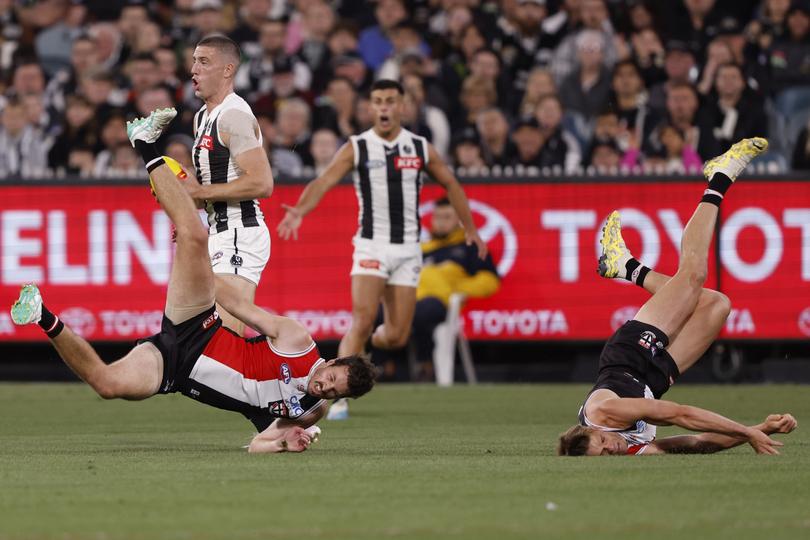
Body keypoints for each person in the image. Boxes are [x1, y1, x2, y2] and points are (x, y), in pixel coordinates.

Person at [10, 107, 376, 454]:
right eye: (330, 379)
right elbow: (240, 307)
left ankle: (40, 313)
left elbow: (257, 445)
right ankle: (145, 142)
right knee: (195, 237)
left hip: (174, 368)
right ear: (332, 362)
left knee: (107, 385)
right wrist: (198, 267)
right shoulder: (297, 341)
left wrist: (284, 443)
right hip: (199, 328)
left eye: (330, 392)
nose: (322, 387)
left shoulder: (310, 412)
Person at [558, 137, 797, 456]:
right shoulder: (631, 454)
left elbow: (679, 414)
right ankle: (628, 268)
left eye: (600, 443)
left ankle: (720, 177)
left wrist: (745, 432)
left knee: (694, 274)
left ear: (591, 431)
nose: (608, 448)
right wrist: (759, 430)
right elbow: (695, 442)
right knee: (716, 305)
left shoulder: (602, 414)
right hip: (652, 379)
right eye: (601, 455)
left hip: (629, 357)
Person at [277, 79, 487, 418]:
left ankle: (375, 337)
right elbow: (324, 180)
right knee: (359, 320)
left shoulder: (419, 147)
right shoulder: (358, 146)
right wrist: (300, 210)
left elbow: (450, 182)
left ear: (402, 106)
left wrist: (471, 229)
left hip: (407, 250)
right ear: (371, 107)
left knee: (396, 336)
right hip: (371, 245)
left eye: (390, 101)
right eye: (378, 101)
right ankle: (339, 400)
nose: (384, 107)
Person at [173, 35, 275, 337]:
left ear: (228, 70)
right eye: (193, 61)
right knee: (213, 336)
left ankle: (292, 357)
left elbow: (262, 182)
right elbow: (208, 187)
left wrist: (201, 194)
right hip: (219, 233)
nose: (194, 69)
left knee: (225, 336)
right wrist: (188, 216)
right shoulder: (203, 117)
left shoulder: (234, 115)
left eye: (203, 62)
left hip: (239, 233)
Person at [412, 198, 500, 380]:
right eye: (437, 217)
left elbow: (490, 281)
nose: (441, 222)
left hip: (443, 303)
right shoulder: (422, 250)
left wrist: (452, 287)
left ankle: (425, 364)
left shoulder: (470, 248)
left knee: (423, 311)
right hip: (413, 298)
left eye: (447, 217)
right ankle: (379, 369)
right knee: (379, 313)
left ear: (460, 220)